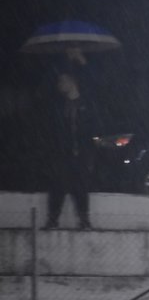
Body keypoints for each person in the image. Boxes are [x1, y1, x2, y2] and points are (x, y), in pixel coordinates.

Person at [42, 51, 94, 230]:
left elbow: (95, 83)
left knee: (81, 189)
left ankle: (84, 220)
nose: (59, 85)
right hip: (63, 154)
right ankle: (52, 220)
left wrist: (82, 61)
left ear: (71, 82)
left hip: (81, 153)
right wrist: (68, 59)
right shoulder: (58, 105)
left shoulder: (86, 103)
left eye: (62, 81)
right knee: (58, 187)